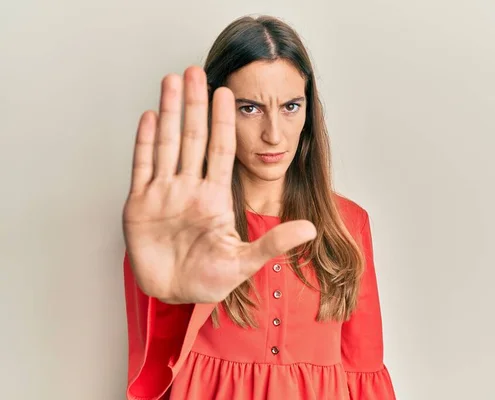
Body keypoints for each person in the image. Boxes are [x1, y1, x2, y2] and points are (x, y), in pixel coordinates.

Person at [122, 14, 397, 400]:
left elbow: (364, 374)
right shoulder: (180, 227)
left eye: (290, 106)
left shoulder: (349, 224)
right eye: (249, 108)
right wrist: (168, 302)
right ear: (216, 112)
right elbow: (154, 377)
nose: (273, 134)